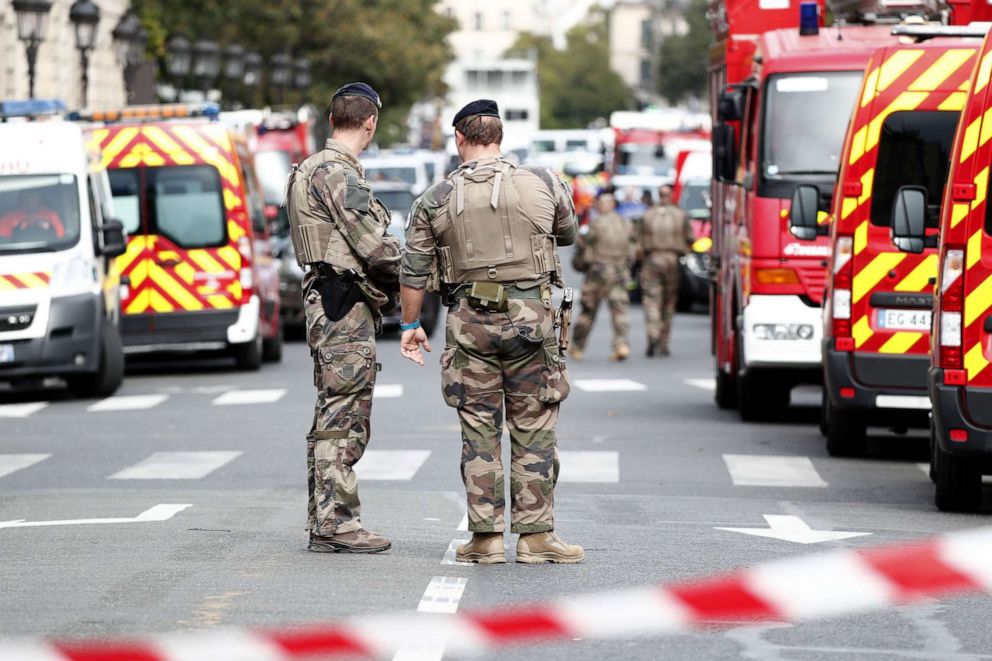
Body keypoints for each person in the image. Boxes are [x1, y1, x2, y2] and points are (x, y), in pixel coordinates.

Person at [398, 99, 583, 564]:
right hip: (532, 322)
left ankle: (486, 539)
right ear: (501, 137)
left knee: (478, 429)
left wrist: (410, 324)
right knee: (535, 424)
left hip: (468, 324)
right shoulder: (543, 181)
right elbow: (568, 232)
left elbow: (414, 268)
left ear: (459, 139)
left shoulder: (435, 197)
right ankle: (536, 537)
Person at [285, 82, 402, 554]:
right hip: (342, 301)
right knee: (345, 413)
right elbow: (373, 246)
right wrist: (424, 269)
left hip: (328, 297)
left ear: (333, 119)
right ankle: (337, 525)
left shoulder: (309, 168)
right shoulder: (338, 173)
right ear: (370, 123)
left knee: (332, 410)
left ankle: (325, 520)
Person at [568, 191, 635, 362]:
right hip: (619, 271)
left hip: (597, 272)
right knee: (619, 310)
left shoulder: (595, 224)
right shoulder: (626, 224)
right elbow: (634, 249)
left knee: (588, 310)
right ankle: (621, 344)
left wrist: (581, 264)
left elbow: (583, 248)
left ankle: (577, 346)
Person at [639, 183, 694, 357]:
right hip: (672, 260)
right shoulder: (680, 215)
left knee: (651, 299)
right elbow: (690, 238)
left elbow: (637, 240)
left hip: (653, 258)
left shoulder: (648, 215)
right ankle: (664, 341)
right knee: (669, 302)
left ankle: (653, 332)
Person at [0, 188, 65, 240]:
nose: (29, 199)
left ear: (39, 198)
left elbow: (59, 237)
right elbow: (3, 240)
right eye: (26, 196)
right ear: (20, 197)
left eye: (32, 196)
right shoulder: (9, 217)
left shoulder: (51, 215)